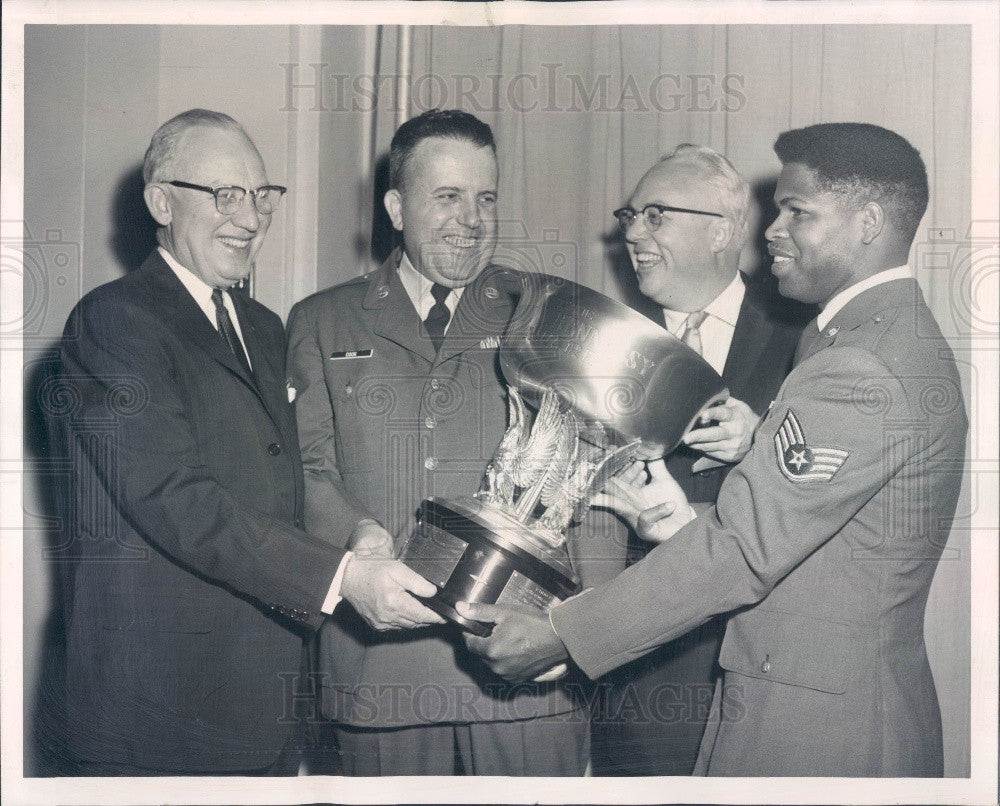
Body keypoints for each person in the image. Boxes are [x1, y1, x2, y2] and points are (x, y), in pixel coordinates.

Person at [458, 122, 968, 777]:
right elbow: (821, 539)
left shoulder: (860, 365)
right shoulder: (872, 339)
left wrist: (566, 632)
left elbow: (743, 548)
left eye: (797, 212)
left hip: (817, 735)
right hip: (809, 707)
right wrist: (678, 520)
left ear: (869, 222)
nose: (772, 230)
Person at [51, 109, 441, 776]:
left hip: (267, 705)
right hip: (158, 715)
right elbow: (181, 502)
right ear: (160, 202)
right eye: (226, 194)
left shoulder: (262, 327)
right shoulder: (113, 323)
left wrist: (357, 532)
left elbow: (282, 481)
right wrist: (344, 577)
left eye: (262, 196)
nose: (252, 218)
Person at [286, 108, 622, 776]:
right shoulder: (321, 320)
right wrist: (358, 541)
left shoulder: (546, 311)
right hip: (380, 674)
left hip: (530, 677)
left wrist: (587, 634)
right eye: (447, 197)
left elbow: (600, 481)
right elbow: (307, 470)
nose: (470, 219)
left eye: (485, 198)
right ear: (395, 207)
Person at [592, 144, 803, 776]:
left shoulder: (805, 331)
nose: (631, 232)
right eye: (630, 214)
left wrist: (761, 437)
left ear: (725, 231)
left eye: (655, 216)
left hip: (762, 662)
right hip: (641, 676)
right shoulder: (606, 343)